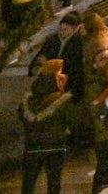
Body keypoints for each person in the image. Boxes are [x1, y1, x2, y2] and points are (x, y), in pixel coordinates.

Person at [19, 59, 72, 194]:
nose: (65, 77)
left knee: (28, 183)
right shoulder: (64, 102)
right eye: (61, 74)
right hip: (56, 147)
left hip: (32, 148)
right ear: (53, 78)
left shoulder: (28, 100)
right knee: (54, 184)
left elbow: (21, 118)